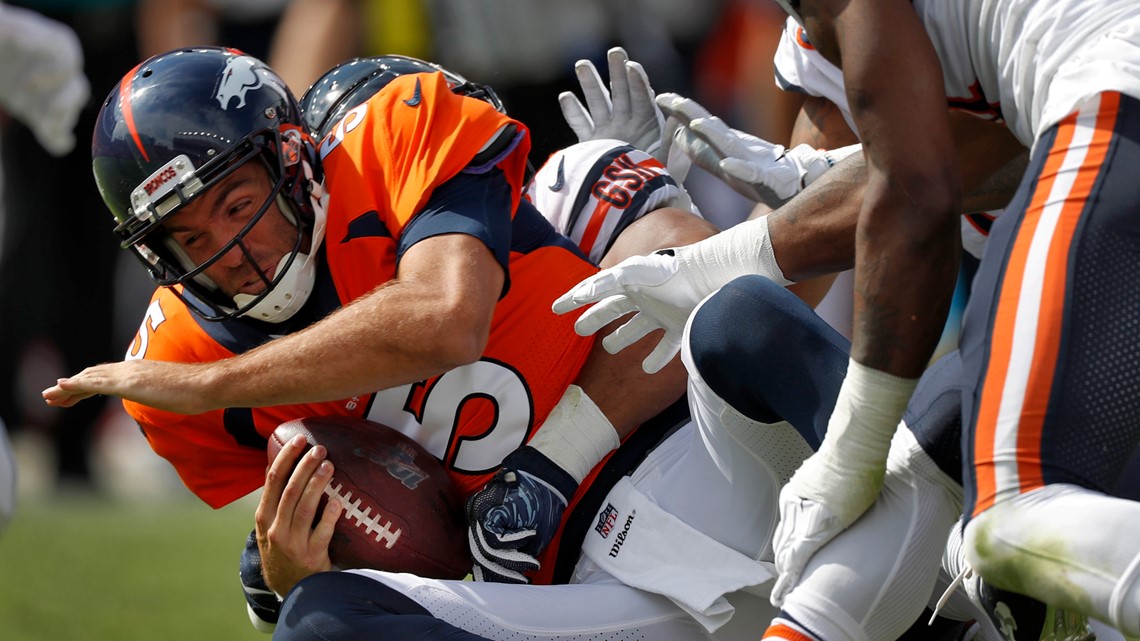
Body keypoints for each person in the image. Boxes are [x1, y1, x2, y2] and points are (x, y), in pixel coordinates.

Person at [557, 0, 1140, 638]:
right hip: (1105, 134)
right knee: (980, 481)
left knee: (1012, 520)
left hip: (1116, 99)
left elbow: (911, 191)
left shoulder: (848, 25)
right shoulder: (978, 78)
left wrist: (852, 452)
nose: (821, 129)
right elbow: (972, 154)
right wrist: (800, 193)